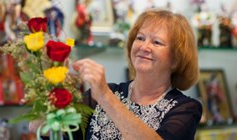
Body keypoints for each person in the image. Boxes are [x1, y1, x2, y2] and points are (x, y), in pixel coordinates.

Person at [30, 9, 202, 140]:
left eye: (156, 42)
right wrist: (53, 86)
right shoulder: (98, 96)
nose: (144, 47)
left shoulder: (186, 109)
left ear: (176, 60)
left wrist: (105, 96)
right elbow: (43, 129)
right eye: (140, 38)